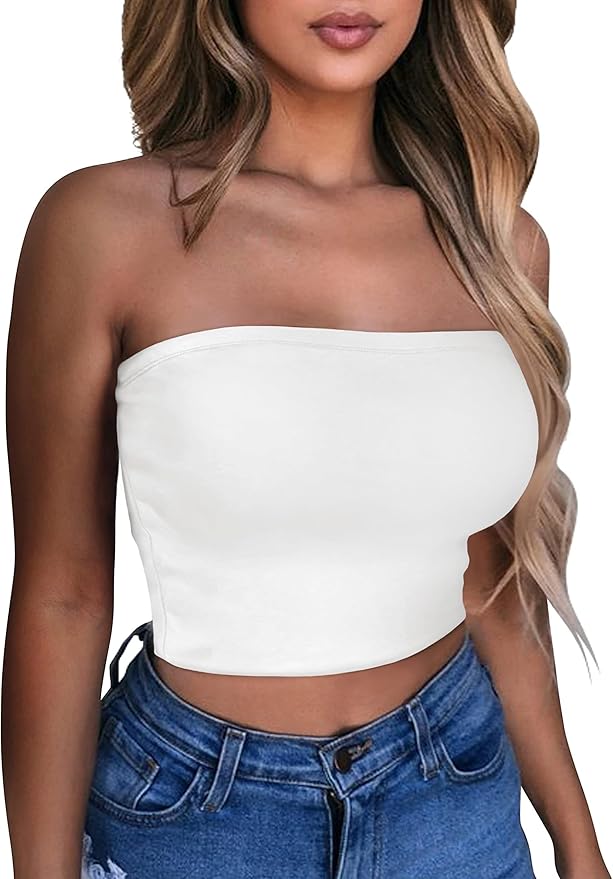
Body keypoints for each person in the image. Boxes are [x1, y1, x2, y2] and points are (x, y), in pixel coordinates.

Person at [3, 1, 610, 877]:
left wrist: (581, 847)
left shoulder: (500, 246)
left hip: (457, 796)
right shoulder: (105, 226)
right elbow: (62, 595)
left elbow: (494, 585)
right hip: (196, 821)